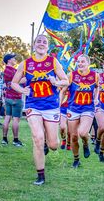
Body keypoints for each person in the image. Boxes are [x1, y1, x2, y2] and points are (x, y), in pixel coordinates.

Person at [11, 34, 69, 185]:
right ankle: (41, 176)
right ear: (34, 45)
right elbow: (14, 83)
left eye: (44, 42)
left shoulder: (53, 61)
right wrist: (22, 91)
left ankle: (47, 144)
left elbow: (66, 80)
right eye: (39, 41)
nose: (41, 44)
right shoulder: (26, 64)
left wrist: (56, 82)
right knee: (37, 137)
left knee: (54, 145)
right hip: (33, 105)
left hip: (50, 106)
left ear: (48, 46)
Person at [67, 54, 99, 168]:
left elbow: (97, 87)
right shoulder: (71, 75)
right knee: (74, 137)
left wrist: (96, 98)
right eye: (78, 62)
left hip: (87, 108)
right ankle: (76, 159)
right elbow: (64, 88)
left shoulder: (95, 76)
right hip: (73, 108)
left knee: (82, 133)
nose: (80, 64)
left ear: (88, 63)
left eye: (83, 62)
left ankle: (85, 143)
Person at [1, 53, 25, 147]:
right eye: (13, 58)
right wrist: (25, 78)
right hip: (16, 98)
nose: (15, 59)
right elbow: (21, 80)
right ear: (8, 60)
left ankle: (4, 139)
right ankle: (15, 140)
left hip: (8, 98)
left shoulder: (5, 70)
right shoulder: (13, 70)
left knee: (7, 118)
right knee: (15, 120)